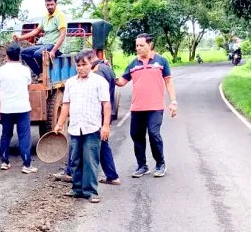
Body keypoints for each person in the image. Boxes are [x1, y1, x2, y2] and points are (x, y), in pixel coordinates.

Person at [116, 34, 177, 178]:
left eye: (141, 45)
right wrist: (108, 73)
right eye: (136, 45)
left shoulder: (161, 61)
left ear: (150, 45)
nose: (138, 48)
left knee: (154, 134)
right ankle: (142, 166)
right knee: (136, 135)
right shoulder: (133, 64)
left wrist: (173, 102)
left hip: (155, 107)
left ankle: (160, 164)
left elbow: (169, 82)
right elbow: (122, 82)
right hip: (137, 108)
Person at [54, 52, 110, 203]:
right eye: (78, 65)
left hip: (92, 127)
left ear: (91, 63)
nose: (80, 68)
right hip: (75, 128)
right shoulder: (71, 82)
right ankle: (77, 188)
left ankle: (91, 191)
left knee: (91, 160)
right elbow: (66, 105)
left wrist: (105, 126)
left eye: (84, 64)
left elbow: (106, 104)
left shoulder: (99, 82)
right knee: (75, 159)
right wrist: (59, 124)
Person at [0, 45, 36, 173]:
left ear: (7, 56)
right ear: (19, 55)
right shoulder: (26, 70)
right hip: (23, 108)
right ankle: (26, 165)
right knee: (24, 136)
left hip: (6, 109)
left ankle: (4, 162)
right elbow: (28, 87)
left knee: (6, 134)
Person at [13, 0, 67, 79]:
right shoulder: (45, 17)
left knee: (38, 54)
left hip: (55, 47)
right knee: (24, 53)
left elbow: (62, 35)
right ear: (45, 5)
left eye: (52, 4)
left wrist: (53, 51)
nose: (49, 7)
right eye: (47, 5)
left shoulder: (60, 16)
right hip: (45, 45)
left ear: (56, 4)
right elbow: (36, 31)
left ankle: (46, 74)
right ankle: (40, 73)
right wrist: (20, 38)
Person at [92, 49, 120, 185]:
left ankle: (70, 173)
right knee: (102, 145)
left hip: (100, 115)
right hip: (105, 115)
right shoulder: (107, 68)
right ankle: (112, 175)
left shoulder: (97, 74)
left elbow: (102, 99)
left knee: (82, 143)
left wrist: (105, 124)